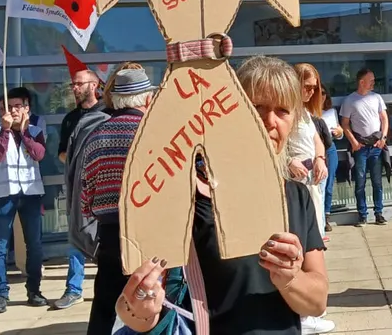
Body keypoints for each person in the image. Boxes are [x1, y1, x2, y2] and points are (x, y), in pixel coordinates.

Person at [114, 55, 329, 335]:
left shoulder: (296, 196)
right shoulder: (190, 200)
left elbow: (317, 302)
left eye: (282, 111)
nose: (269, 121)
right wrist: (139, 310)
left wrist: (290, 279)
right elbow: (136, 308)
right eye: (257, 107)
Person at [80, 65, 155, 335]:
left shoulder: (95, 136)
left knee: (104, 303)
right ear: (146, 99)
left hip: (110, 231)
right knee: (151, 301)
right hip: (150, 231)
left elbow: (85, 194)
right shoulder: (153, 133)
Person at [0, 87, 48, 313]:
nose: (13, 110)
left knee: (34, 244)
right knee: (0, 245)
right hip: (5, 192)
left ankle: (34, 290)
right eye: (9, 107)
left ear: (26, 108)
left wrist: (23, 132)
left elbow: (39, 154)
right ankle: (1, 293)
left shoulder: (35, 130)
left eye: (17, 106)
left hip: (30, 192)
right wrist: (4, 130)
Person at [287, 65, 335, 335]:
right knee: (300, 247)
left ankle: (310, 308)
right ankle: (303, 314)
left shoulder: (305, 111)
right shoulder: (285, 109)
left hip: (310, 186)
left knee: (313, 245)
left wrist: (319, 159)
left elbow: (317, 139)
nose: (310, 91)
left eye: (314, 87)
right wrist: (288, 161)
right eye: (306, 86)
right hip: (292, 185)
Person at [54, 69, 104, 311]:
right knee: (76, 235)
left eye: (79, 83)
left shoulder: (108, 112)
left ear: (94, 85)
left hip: (106, 187)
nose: (74, 88)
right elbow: (63, 153)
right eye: (73, 84)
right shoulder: (70, 119)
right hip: (79, 188)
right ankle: (74, 289)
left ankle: (110, 287)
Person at [340, 68, 389, 226]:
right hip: (360, 146)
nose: (374, 83)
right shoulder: (350, 100)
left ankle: (379, 213)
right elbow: (345, 124)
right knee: (360, 181)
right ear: (362, 82)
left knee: (377, 181)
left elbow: (384, 119)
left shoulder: (377, 98)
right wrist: (353, 142)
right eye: (371, 80)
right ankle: (362, 214)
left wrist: (383, 137)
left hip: (375, 145)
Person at [320, 89, 342, 233]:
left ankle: (326, 216)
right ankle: (318, 218)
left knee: (328, 185)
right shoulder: (307, 112)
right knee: (319, 186)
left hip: (331, 148)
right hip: (316, 150)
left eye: (323, 93)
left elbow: (340, 133)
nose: (321, 96)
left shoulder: (330, 112)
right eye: (318, 92)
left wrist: (340, 133)